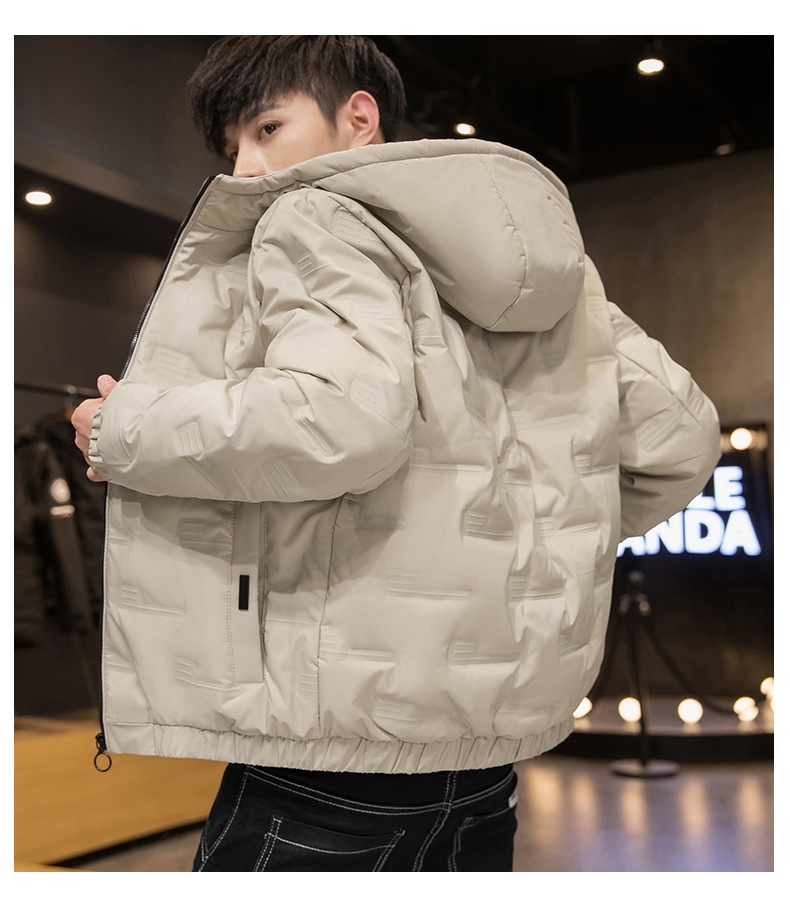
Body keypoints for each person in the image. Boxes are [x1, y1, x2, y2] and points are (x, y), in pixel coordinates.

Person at [71, 35, 720, 872]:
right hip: (488, 765)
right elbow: (681, 436)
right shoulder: (562, 271)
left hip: (337, 747)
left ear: (359, 118)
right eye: (232, 147)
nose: (247, 167)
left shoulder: (317, 216)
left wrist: (124, 427)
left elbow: (338, 419)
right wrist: (527, 541)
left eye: (267, 128)